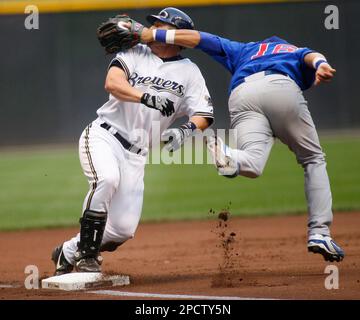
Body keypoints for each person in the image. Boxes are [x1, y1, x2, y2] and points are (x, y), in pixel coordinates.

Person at [136, 15, 345, 262]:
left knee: (253, 163)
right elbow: (312, 56)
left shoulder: (244, 49)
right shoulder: (292, 50)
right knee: (312, 159)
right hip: (281, 87)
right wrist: (321, 63)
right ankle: (319, 233)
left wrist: (152, 34)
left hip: (242, 93)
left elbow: (199, 39)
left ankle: (230, 156)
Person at [51, 7, 214, 275]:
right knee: (107, 179)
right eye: (156, 23)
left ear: (179, 35)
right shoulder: (134, 52)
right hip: (105, 135)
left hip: (137, 155)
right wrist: (145, 96)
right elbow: (112, 83)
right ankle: (88, 255)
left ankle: (67, 252)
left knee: (122, 229)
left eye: (163, 25)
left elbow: (204, 114)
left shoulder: (190, 72)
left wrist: (185, 130)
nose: (154, 29)